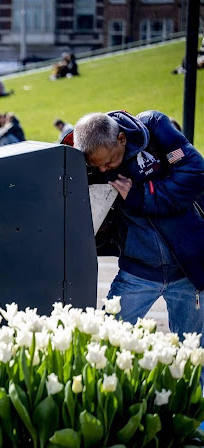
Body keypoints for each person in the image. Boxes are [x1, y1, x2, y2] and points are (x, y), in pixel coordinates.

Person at [73, 110, 204, 340]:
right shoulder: (92, 154)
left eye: (110, 161)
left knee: (194, 358)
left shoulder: (155, 127)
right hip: (137, 271)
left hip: (187, 271)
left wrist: (141, 196)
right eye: (98, 166)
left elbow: (194, 173)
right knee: (105, 342)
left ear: (122, 138)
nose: (105, 170)